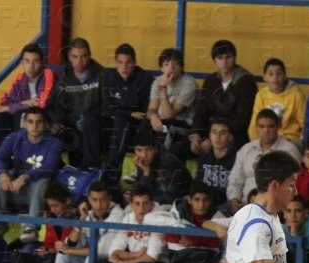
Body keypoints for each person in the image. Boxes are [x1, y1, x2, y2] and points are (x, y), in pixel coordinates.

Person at [0, 106, 64, 220]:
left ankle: (31, 225)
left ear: (45, 124)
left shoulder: (53, 143)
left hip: (38, 195)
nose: (34, 126)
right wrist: (3, 175)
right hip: (15, 189)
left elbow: (49, 168)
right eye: (30, 122)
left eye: (39, 122)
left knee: (42, 182)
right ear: (24, 123)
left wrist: (25, 177)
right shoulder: (14, 137)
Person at [190, 40, 258, 154]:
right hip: (212, 131)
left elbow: (242, 120)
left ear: (234, 58)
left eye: (228, 57)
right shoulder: (210, 80)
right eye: (220, 58)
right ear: (214, 60)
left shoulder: (246, 82)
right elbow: (201, 112)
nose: (224, 62)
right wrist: (196, 134)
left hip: (236, 134)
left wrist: (214, 139)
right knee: (182, 144)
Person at [227, 109, 300, 214]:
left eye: (270, 126)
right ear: (256, 128)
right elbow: (235, 180)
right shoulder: (246, 149)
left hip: (274, 208)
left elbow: (291, 185)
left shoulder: (289, 150)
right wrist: (234, 200)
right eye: (261, 126)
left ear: (278, 126)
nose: (266, 130)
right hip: (243, 205)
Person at [49, 37, 104, 169]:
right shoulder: (64, 80)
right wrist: (57, 123)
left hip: (97, 124)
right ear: (69, 56)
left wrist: (87, 119)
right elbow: (58, 107)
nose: (79, 61)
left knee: (90, 123)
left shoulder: (102, 75)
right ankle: (61, 173)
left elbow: (107, 104)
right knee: (55, 133)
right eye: (75, 56)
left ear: (89, 55)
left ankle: (91, 169)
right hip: (72, 124)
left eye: (83, 56)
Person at [0, 43, 56, 151]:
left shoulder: (48, 75)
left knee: (21, 115)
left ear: (42, 62)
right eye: (27, 61)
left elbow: (41, 104)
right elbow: (6, 103)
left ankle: (22, 153)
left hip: (47, 121)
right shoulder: (20, 79)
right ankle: (0, 152)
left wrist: (16, 106)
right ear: (22, 63)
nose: (31, 66)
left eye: (35, 61)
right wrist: (25, 103)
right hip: (23, 119)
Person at [100, 43, 154, 172]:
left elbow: (146, 110)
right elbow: (107, 107)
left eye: (128, 63)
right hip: (114, 117)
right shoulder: (108, 78)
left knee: (123, 122)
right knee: (91, 119)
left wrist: (128, 115)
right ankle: (90, 167)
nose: (124, 67)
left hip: (136, 121)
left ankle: (114, 168)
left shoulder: (146, 79)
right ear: (116, 62)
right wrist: (128, 113)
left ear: (134, 62)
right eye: (120, 62)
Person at [146, 48, 198, 158]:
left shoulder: (189, 84)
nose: (171, 68)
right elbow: (151, 109)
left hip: (182, 126)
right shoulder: (157, 81)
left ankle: (161, 163)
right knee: (144, 126)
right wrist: (153, 116)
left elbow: (169, 114)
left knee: (166, 130)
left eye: (175, 64)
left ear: (182, 67)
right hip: (163, 123)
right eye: (166, 64)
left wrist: (163, 88)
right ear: (161, 68)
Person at [249, 58, 305, 145]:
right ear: (264, 77)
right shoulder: (261, 95)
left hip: (289, 140)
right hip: (266, 139)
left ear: (285, 75)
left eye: (279, 74)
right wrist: (255, 143)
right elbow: (254, 124)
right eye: (271, 74)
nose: (275, 77)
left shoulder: (296, 94)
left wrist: (301, 142)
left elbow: (304, 122)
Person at [131, 128, 192, 206]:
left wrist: (145, 202)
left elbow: (169, 198)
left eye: (148, 149)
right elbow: (137, 194)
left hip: (178, 205)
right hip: (155, 204)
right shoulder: (141, 162)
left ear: (155, 148)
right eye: (139, 150)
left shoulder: (169, 162)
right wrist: (146, 174)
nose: (144, 155)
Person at [196, 117, 237, 208]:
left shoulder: (237, 160)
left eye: (223, 133)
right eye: (214, 132)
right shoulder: (204, 158)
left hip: (226, 205)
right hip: (205, 204)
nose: (218, 137)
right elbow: (198, 185)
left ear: (230, 136)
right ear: (210, 136)